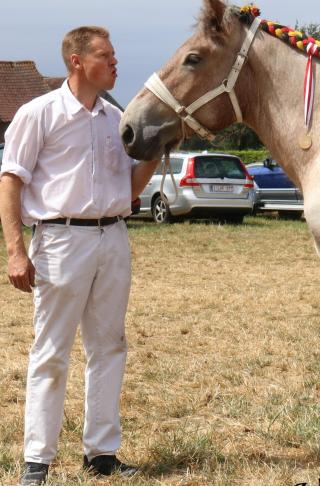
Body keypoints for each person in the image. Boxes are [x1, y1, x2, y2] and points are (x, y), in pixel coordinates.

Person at [0, 26, 159, 486]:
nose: (114, 63)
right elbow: (10, 180)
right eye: (106, 56)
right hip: (60, 239)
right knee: (51, 350)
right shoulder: (38, 113)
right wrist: (15, 250)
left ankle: (101, 453)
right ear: (77, 61)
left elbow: (130, 189)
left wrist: (156, 146)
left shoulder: (115, 118)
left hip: (113, 236)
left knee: (109, 347)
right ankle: (37, 460)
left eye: (114, 55)